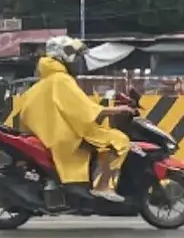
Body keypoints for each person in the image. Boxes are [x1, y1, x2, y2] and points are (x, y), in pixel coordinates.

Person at [19, 36, 135, 205]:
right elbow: (83, 111)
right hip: (67, 136)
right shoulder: (62, 79)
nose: (76, 59)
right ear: (62, 56)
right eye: (72, 54)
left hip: (52, 134)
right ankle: (103, 187)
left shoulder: (49, 79)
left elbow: (78, 108)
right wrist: (116, 110)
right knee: (119, 141)